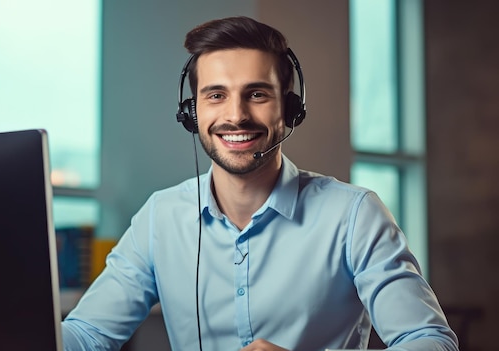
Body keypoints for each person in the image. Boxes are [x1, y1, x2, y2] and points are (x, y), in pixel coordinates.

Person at [62, 16, 459, 351]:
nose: (236, 115)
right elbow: (87, 333)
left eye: (257, 94)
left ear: (289, 110)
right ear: (192, 111)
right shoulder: (160, 217)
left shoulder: (354, 215)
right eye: (216, 95)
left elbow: (427, 338)